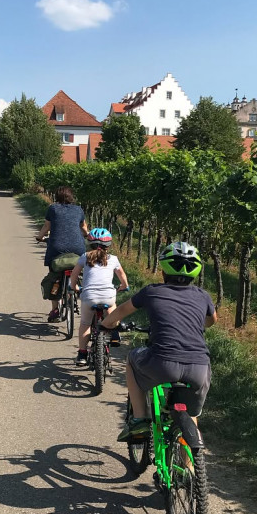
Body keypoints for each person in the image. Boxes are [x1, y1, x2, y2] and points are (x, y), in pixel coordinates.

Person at [101, 242, 217, 441]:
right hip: (200, 368)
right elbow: (211, 321)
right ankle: (192, 467)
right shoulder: (203, 296)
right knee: (191, 415)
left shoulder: (151, 291)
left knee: (131, 359)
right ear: (195, 274)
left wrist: (106, 324)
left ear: (163, 271)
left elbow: (121, 311)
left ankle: (140, 420)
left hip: (162, 363)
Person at [68, 228, 129, 366]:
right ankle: (114, 333)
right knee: (113, 309)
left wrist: (74, 287)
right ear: (108, 246)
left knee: (85, 323)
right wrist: (124, 286)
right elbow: (122, 276)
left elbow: (74, 275)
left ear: (90, 244)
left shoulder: (84, 257)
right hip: (108, 295)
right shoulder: (113, 259)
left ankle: (82, 354)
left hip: (89, 296)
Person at [35, 186, 88, 322]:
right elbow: (83, 228)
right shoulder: (79, 210)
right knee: (79, 269)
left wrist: (39, 237)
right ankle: (76, 291)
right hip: (77, 248)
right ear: (72, 197)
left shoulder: (53, 209)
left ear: (56, 196)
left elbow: (47, 227)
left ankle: (55, 310)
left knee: (54, 273)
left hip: (57, 248)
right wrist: (87, 235)